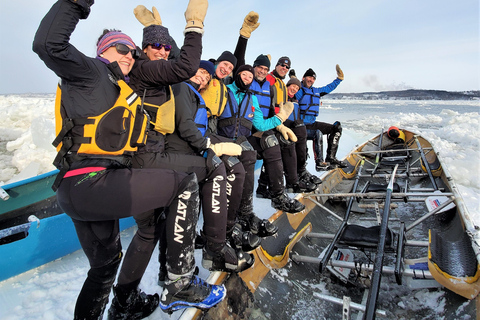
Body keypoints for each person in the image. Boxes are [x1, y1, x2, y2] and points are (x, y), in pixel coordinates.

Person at [33, 1, 226, 318]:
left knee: (106, 264)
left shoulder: (122, 85)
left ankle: (121, 307)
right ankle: (179, 282)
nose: (129, 55)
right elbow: (47, 44)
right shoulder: (89, 71)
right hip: (92, 181)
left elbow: (169, 68)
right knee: (184, 184)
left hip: (83, 185)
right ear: (102, 51)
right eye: (121, 49)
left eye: (132, 51)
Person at [129, 8, 257, 279]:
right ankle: (214, 246)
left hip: (184, 148)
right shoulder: (179, 85)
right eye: (202, 72)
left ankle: (218, 237)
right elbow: (179, 60)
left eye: (207, 76)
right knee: (218, 169)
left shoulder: (194, 91)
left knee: (234, 164)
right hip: (170, 151)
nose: (204, 76)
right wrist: (209, 147)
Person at [215, 64, 305, 237]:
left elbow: (261, 125)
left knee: (267, 143)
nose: (247, 78)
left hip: (241, 139)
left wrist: (280, 119)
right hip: (222, 138)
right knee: (245, 156)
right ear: (237, 75)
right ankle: (236, 217)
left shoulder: (252, 99)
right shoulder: (225, 90)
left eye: (250, 77)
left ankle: (273, 197)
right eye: (244, 75)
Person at [251, 55, 318, 199]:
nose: (284, 68)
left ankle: (294, 176)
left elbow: (275, 103)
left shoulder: (280, 83)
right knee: (285, 141)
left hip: (275, 121)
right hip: (266, 122)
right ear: (275, 66)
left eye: (287, 67)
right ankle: (292, 180)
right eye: (282, 65)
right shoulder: (268, 80)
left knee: (295, 133)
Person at [292, 65, 346, 170]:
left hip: (312, 124)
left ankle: (330, 157)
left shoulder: (316, 91)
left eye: (313, 78)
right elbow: (291, 93)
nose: (311, 80)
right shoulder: (300, 91)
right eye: (309, 77)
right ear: (303, 78)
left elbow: (329, 87)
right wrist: (293, 79)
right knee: (317, 133)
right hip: (301, 126)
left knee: (336, 128)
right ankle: (319, 162)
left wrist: (339, 79)